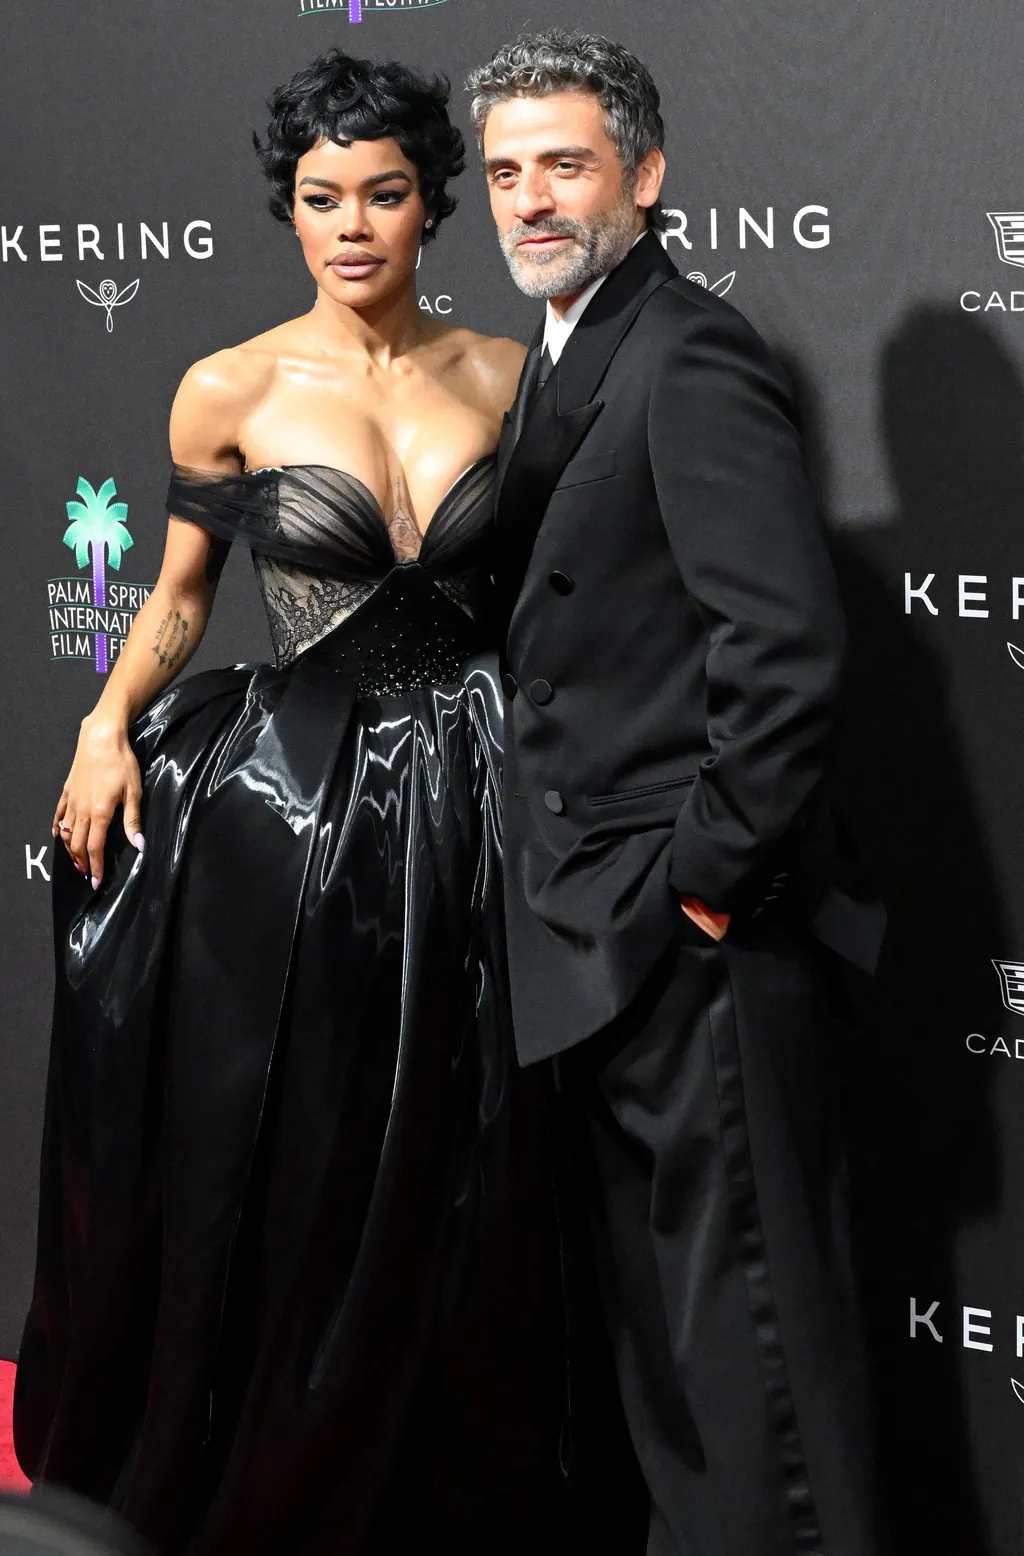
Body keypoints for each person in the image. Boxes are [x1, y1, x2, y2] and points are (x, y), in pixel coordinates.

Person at [15, 49, 636, 1556]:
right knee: (305, 1127)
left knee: (482, 1141)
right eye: (320, 198)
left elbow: (562, 595)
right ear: (288, 210)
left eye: (383, 194)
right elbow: (179, 597)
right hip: (305, 805)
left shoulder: (515, 375)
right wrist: (103, 724)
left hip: (487, 786)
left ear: (432, 206)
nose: (351, 226)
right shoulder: (227, 387)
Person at [468, 29, 888, 1556]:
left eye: (565, 165)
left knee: (756, 1388)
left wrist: (694, 890)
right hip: (596, 946)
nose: (530, 200)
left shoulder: (688, 351)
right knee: (681, 1389)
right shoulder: (567, 357)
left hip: (693, 954)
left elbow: (782, 655)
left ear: (644, 174)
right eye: (505, 173)